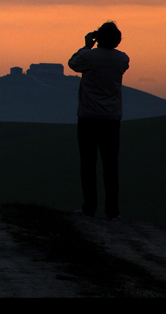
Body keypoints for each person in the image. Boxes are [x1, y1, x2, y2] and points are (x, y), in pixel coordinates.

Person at [68, 21, 130, 220]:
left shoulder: (88, 56)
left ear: (98, 37)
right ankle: (113, 211)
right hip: (111, 118)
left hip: (88, 117)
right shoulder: (123, 59)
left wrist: (87, 45)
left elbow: (73, 63)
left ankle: (89, 208)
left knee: (88, 165)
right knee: (110, 166)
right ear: (118, 40)